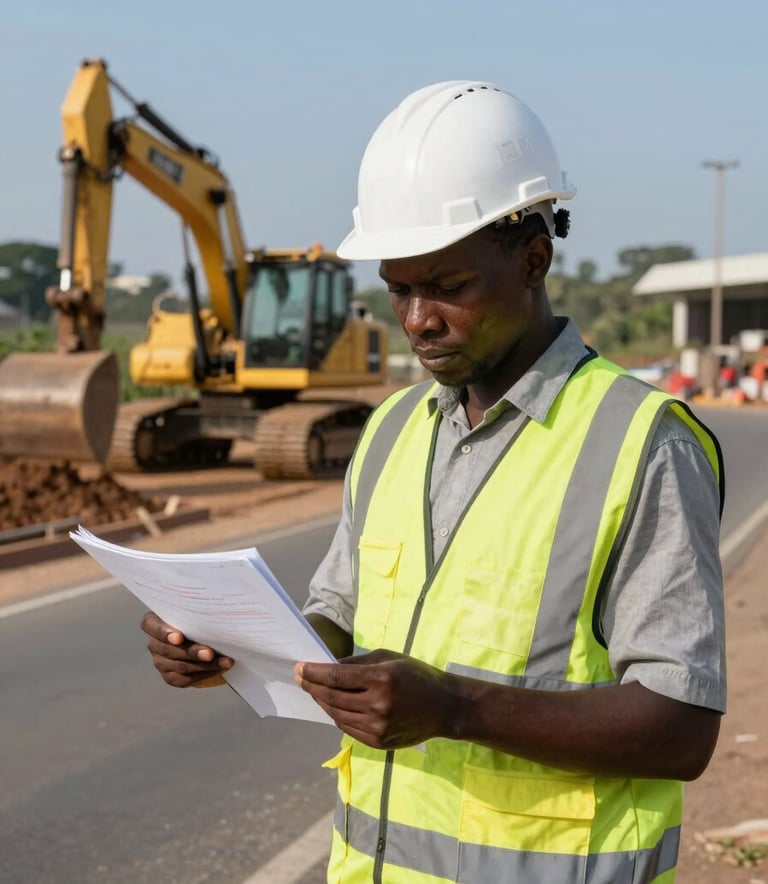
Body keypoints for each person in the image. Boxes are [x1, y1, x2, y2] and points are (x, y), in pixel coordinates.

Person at [142, 80, 726, 883]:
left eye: (447, 287)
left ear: (533, 258)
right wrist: (230, 647)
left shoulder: (642, 443)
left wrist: (457, 709)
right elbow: (336, 626)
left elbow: (682, 729)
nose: (416, 318)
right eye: (397, 288)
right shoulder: (390, 430)